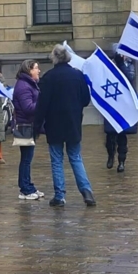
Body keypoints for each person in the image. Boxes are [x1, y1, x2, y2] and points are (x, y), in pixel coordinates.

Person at [33, 44, 95, 207]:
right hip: (73, 122)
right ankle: (86, 191)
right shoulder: (77, 75)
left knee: (57, 160)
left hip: (54, 124)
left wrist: (36, 126)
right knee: (75, 157)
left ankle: (59, 196)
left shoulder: (48, 77)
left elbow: (42, 105)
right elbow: (86, 99)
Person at [12, 59, 44, 200]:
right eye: (36, 68)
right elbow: (28, 108)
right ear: (29, 70)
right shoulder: (24, 86)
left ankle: (28, 186)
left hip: (29, 125)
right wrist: (43, 103)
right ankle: (25, 189)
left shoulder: (29, 84)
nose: (39, 70)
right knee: (26, 159)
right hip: (25, 126)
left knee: (27, 158)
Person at [105, 50, 137, 172]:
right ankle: (110, 155)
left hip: (123, 106)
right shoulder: (109, 65)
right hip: (112, 103)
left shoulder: (129, 65)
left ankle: (121, 161)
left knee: (122, 136)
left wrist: (121, 64)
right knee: (110, 135)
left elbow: (129, 78)